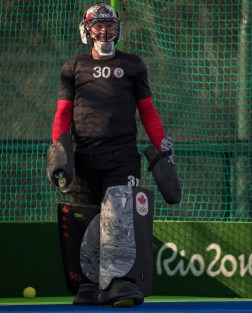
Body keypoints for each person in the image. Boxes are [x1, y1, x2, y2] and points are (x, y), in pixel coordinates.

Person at [51, 2, 173, 307]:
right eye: (99, 27)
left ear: (117, 29)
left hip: (122, 156)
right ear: (87, 31)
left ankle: (118, 281)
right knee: (88, 220)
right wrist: (58, 150)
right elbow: (63, 113)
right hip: (84, 157)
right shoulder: (73, 68)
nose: (105, 32)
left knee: (118, 214)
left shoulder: (133, 65)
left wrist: (160, 143)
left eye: (110, 26)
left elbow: (147, 110)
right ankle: (91, 284)